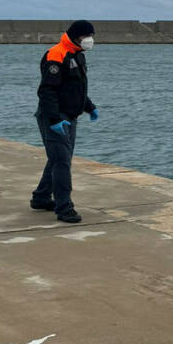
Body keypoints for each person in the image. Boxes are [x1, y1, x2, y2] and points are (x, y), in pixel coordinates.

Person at [30, 20, 98, 223]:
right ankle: (64, 208)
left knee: (58, 158)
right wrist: (53, 119)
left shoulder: (78, 56)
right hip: (55, 118)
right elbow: (47, 91)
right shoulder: (56, 54)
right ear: (77, 36)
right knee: (62, 161)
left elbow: (76, 89)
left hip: (71, 116)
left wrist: (89, 106)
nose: (90, 40)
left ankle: (41, 198)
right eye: (87, 36)